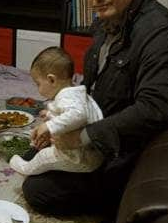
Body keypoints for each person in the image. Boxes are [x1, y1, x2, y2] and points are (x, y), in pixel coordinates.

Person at [21, 0, 168, 216]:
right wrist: (60, 115)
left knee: (37, 190)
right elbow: (93, 90)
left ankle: (111, 205)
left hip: (123, 150)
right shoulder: (107, 22)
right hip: (98, 123)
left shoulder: (165, 34)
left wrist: (83, 136)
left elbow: (156, 108)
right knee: (32, 150)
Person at [10, 47, 103, 176]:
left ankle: (25, 168)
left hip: (80, 157)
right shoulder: (75, 93)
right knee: (36, 147)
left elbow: (78, 115)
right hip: (89, 152)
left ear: (52, 80)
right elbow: (68, 115)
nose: (38, 89)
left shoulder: (67, 97)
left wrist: (49, 125)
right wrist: (49, 114)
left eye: (38, 84)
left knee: (44, 157)